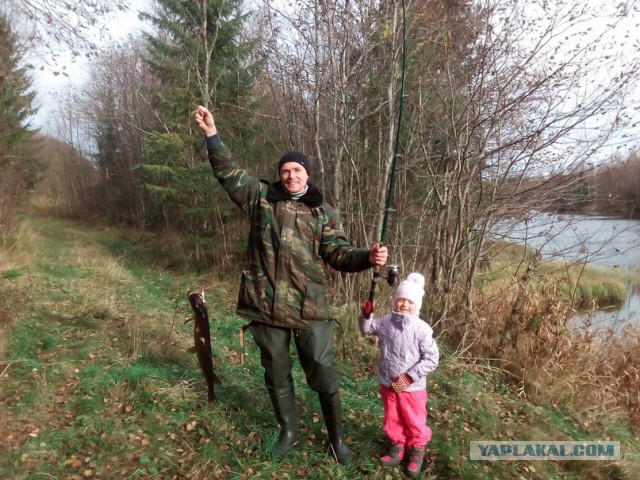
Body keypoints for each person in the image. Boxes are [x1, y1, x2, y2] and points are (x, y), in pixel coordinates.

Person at [194, 105, 388, 465]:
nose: (290, 175)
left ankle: (336, 438)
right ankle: (288, 432)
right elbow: (227, 172)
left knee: (323, 372)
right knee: (276, 372)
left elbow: (338, 253)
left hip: (310, 307)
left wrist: (367, 257)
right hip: (265, 306)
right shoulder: (261, 199)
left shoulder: (323, 211)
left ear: (307, 175)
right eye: (285, 170)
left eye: (296, 170)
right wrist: (212, 134)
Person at [359, 272, 439, 478]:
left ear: (417, 305)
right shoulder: (386, 322)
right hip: (389, 382)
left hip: (411, 388)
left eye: (409, 301)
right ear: (395, 301)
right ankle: (397, 446)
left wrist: (410, 377)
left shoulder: (422, 330)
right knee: (393, 417)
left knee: (413, 420)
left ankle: (416, 452)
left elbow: (431, 359)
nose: (404, 304)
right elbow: (367, 330)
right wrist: (366, 315)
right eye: (401, 299)